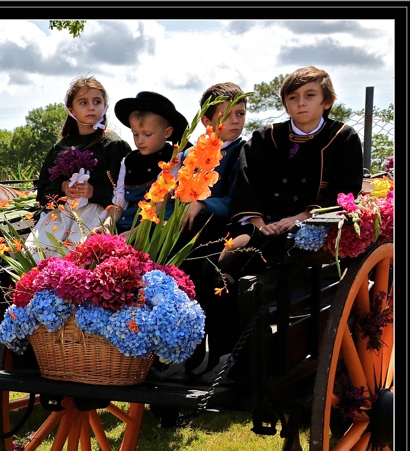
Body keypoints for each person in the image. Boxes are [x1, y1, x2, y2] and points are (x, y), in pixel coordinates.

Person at [223, 66, 364, 275]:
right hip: (264, 225)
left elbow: (345, 190)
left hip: (316, 224)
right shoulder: (265, 137)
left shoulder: (343, 138)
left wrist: (303, 216)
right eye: (292, 97)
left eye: (310, 95)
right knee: (229, 256)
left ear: (327, 101)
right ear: (286, 105)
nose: (301, 103)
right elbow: (246, 183)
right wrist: (259, 224)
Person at [176, 83, 248, 371]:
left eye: (241, 114)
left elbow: (238, 199)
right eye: (227, 115)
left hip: (221, 230)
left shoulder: (244, 152)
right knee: (176, 278)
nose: (235, 121)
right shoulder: (190, 155)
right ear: (206, 121)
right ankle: (183, 348)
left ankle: (218, 352)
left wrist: (204, 203)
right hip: (187, 232)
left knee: (212, 277)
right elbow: (178, 193)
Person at [28, 76, 131, 258]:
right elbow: (43, 190)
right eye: (83, 102)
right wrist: (63, 187)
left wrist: (93, 191)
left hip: (99, 216)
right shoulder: (60, 148)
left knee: (81, 258)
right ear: (71, 109)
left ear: (105, 106)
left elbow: (125, 190)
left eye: (97, 101)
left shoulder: (114, 145)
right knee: (38, 257)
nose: (91, 107)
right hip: (61, 216)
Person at [112, 91, 189, 233]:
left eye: (147, 134)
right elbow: (119, 202)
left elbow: (160, 202)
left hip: (153, 227)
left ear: (167, 132)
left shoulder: (173, 159)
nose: (140, 140)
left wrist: (133, 234)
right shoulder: (128, 160)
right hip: (125, 224)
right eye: (135, 134)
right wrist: (106, 225)